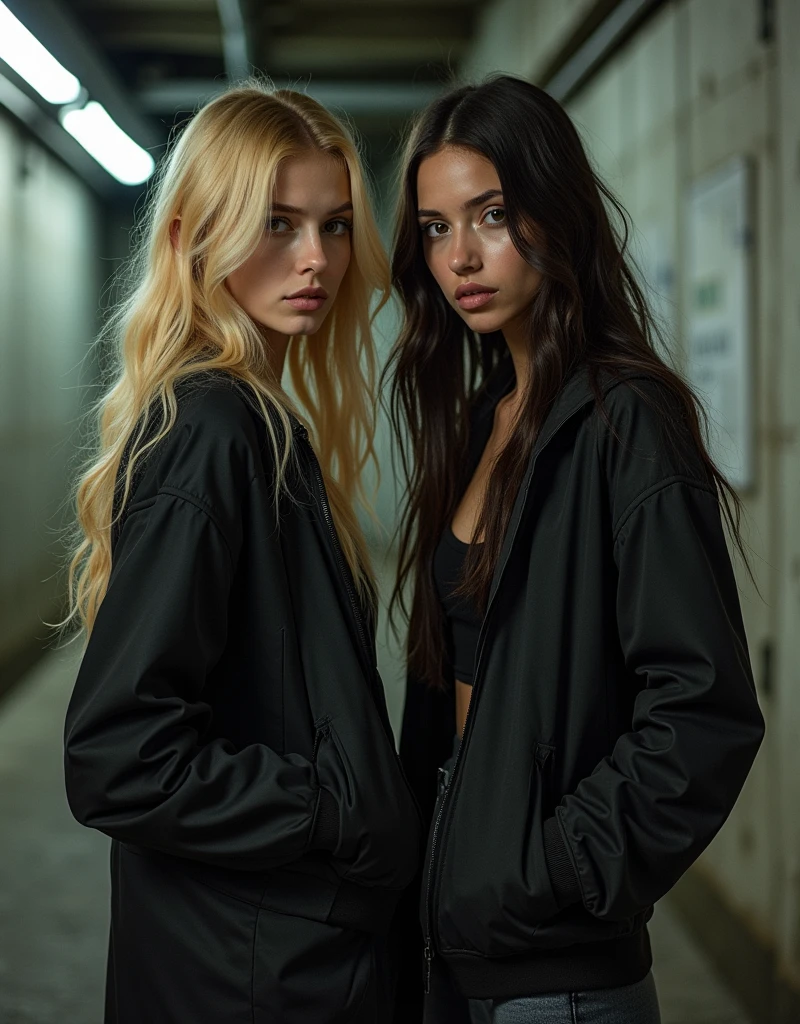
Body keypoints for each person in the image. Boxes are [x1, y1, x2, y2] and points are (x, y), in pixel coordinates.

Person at [386, 75, 765, 1024]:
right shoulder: (484, 418)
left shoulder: (625, 420)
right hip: (458, 945)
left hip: (556, 973)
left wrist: (548, 871)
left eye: (493, 215)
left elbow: (702, 712)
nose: (462, 256)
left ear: (554, 215)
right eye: (436, 227)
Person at [62, 82, 421, 1024]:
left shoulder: (254, 421)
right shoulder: (212, 431)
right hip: (248, 970)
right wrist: (338, 811)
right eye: (277, 224)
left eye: (336, 226)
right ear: (195, 235)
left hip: (261, 950)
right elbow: (118, 755)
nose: (317, 260)